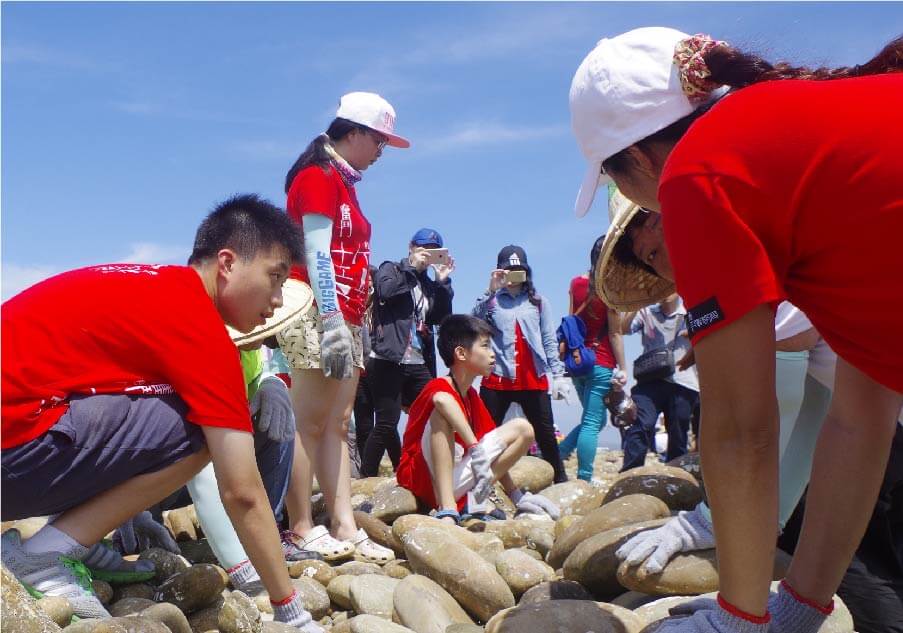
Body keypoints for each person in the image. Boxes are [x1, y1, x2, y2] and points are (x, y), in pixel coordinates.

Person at [569, 26, 903, 631]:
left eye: (617, 181)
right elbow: (861, 413)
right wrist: (799, 606)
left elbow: (742, 429)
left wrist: (736, 619)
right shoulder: (812, 145)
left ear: (641, 159)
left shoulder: (698, 174)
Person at [1, 195, 324, 631]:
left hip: (18, 441)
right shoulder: (198, 325)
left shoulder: (154, 286)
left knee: (173, 406)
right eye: (275, 277)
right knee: (195, 428)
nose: (277, 298)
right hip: (12, 452)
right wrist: (290, 608)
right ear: (227, 263)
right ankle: (45, 555)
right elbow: (241, 491)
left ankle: (74, 533)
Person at [278, 91, 407, 563]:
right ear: (352, 132)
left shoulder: (346, 183)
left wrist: (350, 321)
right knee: (306, 421)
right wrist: (331, 316)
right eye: (379, 141)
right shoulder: (317, 177)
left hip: (348, 319)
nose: (381, 151)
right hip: (315, 311)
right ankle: (300, 526)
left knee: (336, 423)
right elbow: (316, 252)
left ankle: (344, 523)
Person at [396, 315, 560, 524]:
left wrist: (516, 496)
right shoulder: (439, 385)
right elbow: (441, 400)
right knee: (441, 414)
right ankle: (448, 509)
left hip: (455, 481)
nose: (493, 355)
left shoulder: (472, 396)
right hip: (422, 479)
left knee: (523, 429)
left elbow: (491, 451)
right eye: (485, 347)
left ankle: (473, 501)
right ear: (461, 353)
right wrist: (474, 448)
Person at [473, 245, 572, 484]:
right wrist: (489, 290)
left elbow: (548, 339)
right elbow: (472, 325)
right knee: (485, 434)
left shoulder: (538, 302)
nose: (513, 274)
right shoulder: (492, 301)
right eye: (508, 269)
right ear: (499, 271)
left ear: (526, 272)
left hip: (533, 379)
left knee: (546, 434)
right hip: (497, 377)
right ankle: (476, 482)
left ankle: (559, 481)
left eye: (518, 269)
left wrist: (558, 375)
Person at [363, 228, 455, 476]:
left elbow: (440, 317)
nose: (426, 254)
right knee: (386, 422)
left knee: (432, 412)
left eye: (433, 251)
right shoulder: (390, 268)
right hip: (387, 358)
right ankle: (366, 477)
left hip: (417, 359)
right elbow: (386, 292)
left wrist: (443, 283)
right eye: (423, 248)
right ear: (411, 247)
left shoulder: (428, 283)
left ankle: (417, 469)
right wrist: (411, 269)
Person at [558, 235, 628, 481]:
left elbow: (570, 322)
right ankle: (585, 476)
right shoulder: (610, 287)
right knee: (592, 421)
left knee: (593, 421)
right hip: (601, 362)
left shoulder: (576, 283)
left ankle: (560, 453)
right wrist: (623, 367)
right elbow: (615, 332)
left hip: (577, 363)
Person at [617, 292, 699, 471]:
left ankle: (676, 479)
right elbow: (622, 329)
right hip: (649, 381)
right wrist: (640, 302)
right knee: (641, 424)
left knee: (678, 433)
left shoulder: (690, 313)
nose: (665, 292)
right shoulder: (647, 312)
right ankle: (629, 475)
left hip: (684, 382)